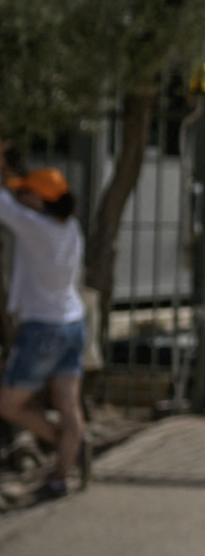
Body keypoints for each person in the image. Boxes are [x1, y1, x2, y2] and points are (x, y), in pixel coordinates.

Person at [0, 145, 89, 501]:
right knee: (69, 405)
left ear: (40, 200)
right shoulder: (70, 229)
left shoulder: (36, 228)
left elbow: (3, 205)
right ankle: (61, 474)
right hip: (73, 324)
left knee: (8, 404)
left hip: (43, 329)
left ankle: (64, 445)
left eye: (27, 193)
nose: (21, 197)